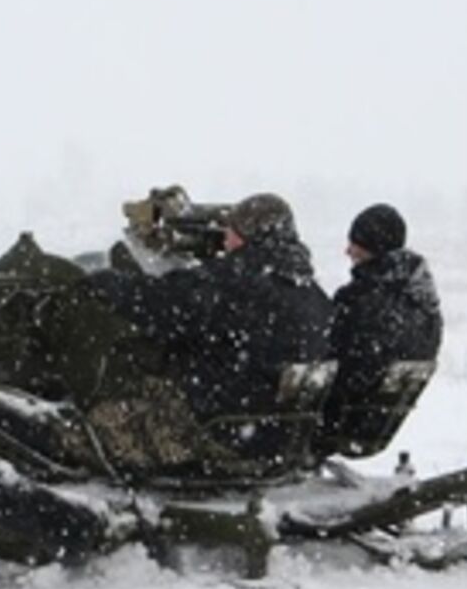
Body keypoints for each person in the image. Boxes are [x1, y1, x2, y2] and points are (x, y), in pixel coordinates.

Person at [80, 192, 333, 474]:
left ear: (248, 236)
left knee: (90, 423)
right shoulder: (315, 296)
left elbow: (162, 303)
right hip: (279, 439)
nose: (225, 239)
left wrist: (109, 284)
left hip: (217, 434)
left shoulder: (233, 282)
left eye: (232, 232)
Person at [322, 203, 442, 448]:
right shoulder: (423, 303)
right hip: (376, 423)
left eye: (355, 243)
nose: (348, 250)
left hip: (338, 418)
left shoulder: (361, 302)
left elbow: (345, 366)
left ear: (371, 248)